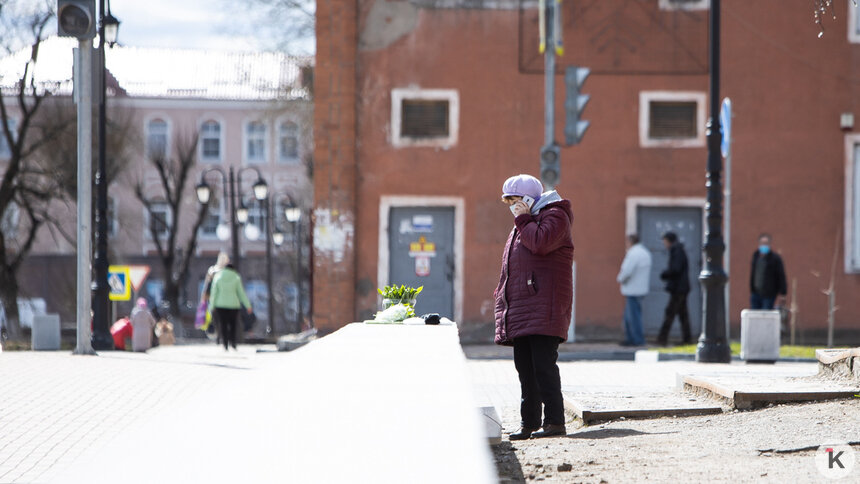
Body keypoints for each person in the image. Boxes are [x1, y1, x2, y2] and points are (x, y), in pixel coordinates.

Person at [493, 174, 574, 440]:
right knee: (525, 369)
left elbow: (540, 244)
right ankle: (529, 424)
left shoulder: (554, 217)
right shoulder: (522, 223)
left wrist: (524, 218)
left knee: (543, 367)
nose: (513, 207)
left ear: (529, 200)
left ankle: (554, 422)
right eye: (510, 202)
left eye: (516, 201)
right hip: (523, 307)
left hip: (544, 305)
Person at [656, 231, 692, 346]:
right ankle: (687, 339)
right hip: (680, 288)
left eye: (665, 242)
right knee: (682, 314)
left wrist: (665, 274)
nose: (664, 244)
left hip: (678, 288)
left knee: (670, 313)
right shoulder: (678, 250)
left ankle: (662, 339)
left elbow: (676, 269)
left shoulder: (677, 251)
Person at [209, 257, 253, 351]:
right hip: (233, 305)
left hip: (220, 305)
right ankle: (233, 342)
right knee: (233, 325)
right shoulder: (236, 277)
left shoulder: (218, 276)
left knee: (223, 325)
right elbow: (241, 293)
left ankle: (225, 343)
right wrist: (248, 306)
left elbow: (214, 292)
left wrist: (212, 305)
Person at [616, 234, 652, 346]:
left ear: (630, 242)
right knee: (630, 317)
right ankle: (632, 338)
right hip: (640, 289)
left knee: (633, 317)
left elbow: (627, 271)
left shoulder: (633, 254)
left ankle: (636, 340)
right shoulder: (645, 252)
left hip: (632, 289)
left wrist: (620, 279)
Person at [749, 233, 787, 310]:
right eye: (762, 243)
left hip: (769, 294)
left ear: (769, 244)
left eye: (766, 243)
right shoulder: (756, 256)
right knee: (754, 315)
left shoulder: (775, 258)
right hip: (755, 293)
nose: (764, 245)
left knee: (765, 315)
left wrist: (783, 292)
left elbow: (781, 275)